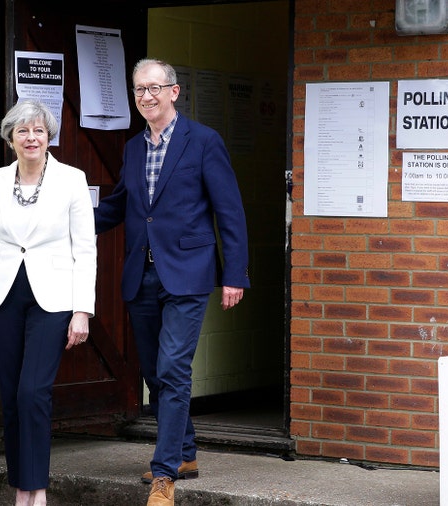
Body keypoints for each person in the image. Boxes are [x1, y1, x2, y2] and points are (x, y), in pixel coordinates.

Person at [94, 58, 249, 506]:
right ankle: (183, 453)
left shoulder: (203, 142)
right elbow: (120, 205)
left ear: (174, 92)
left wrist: (234, 274)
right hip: (141, 274)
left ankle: (165, 477)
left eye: (154, 88)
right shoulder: (133, 148)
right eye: (139, 89)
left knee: (173, 369)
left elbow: (230, 212)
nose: (146, 96)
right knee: (153, 372)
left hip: (189, 272)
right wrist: (64, 222)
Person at [0, 99, 97, 506]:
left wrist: (82, 310)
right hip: (2, 298)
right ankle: (23, 488)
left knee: (34, 391)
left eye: (38, 130)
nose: (31, 137)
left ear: (49, 136)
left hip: (53, 299)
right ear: (10, 139)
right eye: (23, 131)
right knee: (12, 395)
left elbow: (85, 250)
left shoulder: (72, 179)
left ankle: (38, 491)